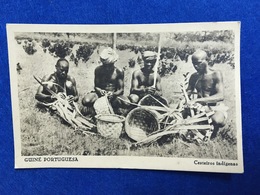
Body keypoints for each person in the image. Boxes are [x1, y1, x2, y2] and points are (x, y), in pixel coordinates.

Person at [186, 50, 228, 138]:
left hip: (215, 107)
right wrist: (184, 101)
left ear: (206, 60)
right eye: (194, 64)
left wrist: (198, 100)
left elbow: (220, 96)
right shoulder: (194, 77)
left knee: (217, 120)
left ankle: (213, 129)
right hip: (199, 108)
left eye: (199, 63)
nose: (196, 66)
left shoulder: (215, 74)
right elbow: (187, 94)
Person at [81, 47, 126, 115]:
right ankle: (92, 110)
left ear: (114, 62)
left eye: (110, 65)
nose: (107, 68)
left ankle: (116, 110)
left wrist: (113, 94)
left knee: (126, 103)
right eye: (105, 65)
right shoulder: (98, 70)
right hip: (100, 95)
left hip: (114, 96)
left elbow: (121, 90)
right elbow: (96, 86)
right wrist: (100, 91)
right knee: (86, 101)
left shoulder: (119, 71)